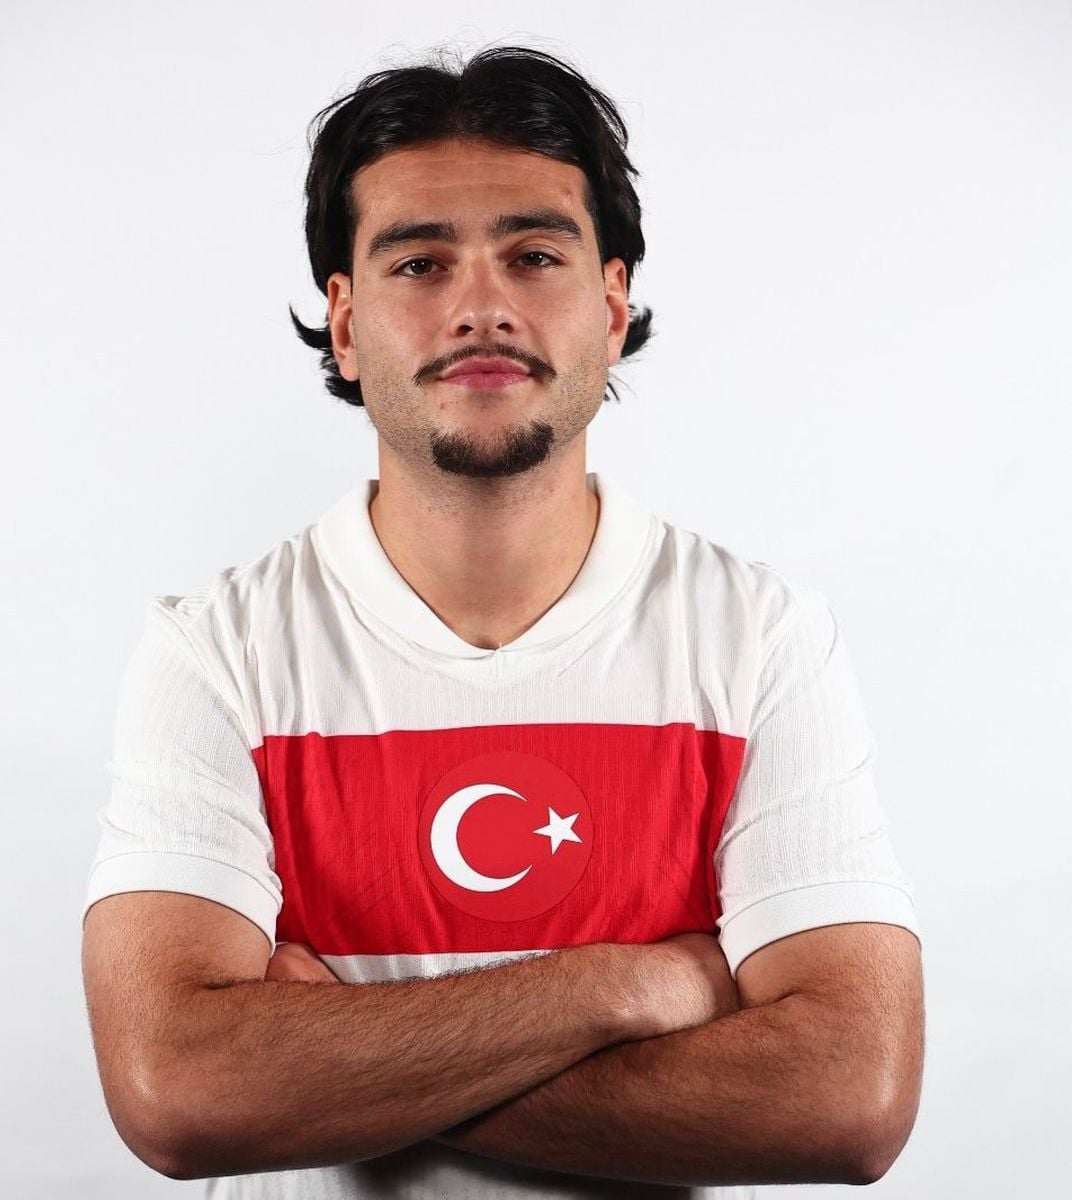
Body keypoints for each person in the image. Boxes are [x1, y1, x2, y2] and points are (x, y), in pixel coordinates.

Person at [80, 44, 924, 1199]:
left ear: (612, 305)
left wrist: (336, 1061)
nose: (481, 307)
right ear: (344, 323)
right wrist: (623, 990)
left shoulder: (758, 640)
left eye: (533, 255)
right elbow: (181, 1094)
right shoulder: (221, 651)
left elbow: (847, 1101)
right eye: (419, 263)